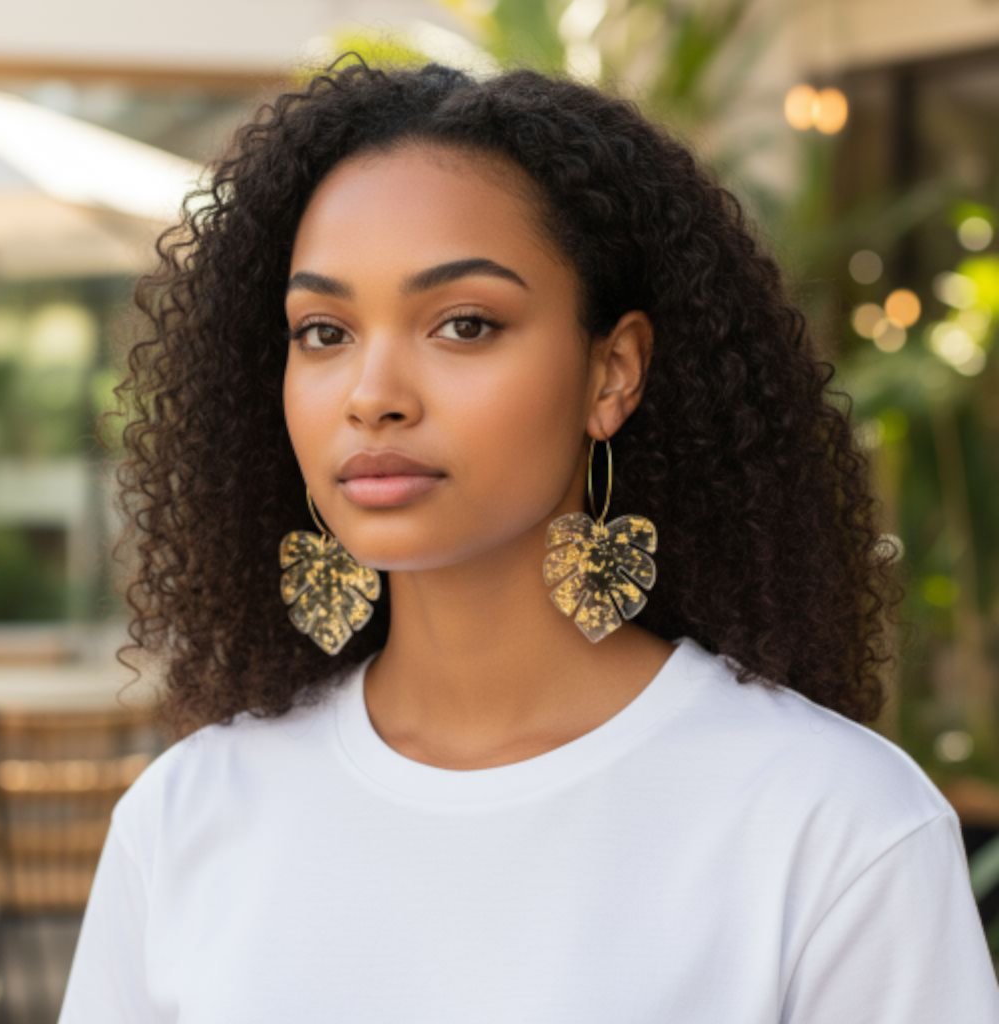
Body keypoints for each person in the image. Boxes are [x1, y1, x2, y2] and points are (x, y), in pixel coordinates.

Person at [58, 52, 998, 1022]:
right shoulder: (188, 819)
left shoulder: (830, 821)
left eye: (464, 324)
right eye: (323, 331)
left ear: (612, 372)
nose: (372, 394)